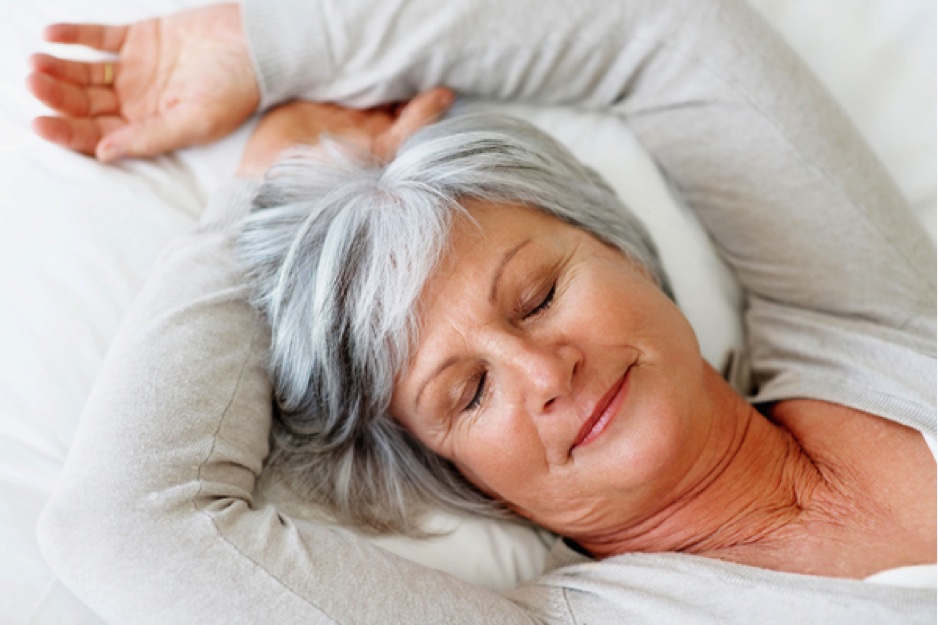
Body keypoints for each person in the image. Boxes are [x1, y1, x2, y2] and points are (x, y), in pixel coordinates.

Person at [28, 0, 936, 623]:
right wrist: (261, 193)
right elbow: (123, 521)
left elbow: (651, 26)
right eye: (467, 394)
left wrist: (261, 44)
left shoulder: (865, 323)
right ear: (465, 478)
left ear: (621, 248)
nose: (544, 373)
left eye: (539, 295)